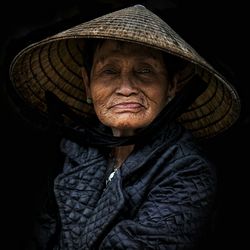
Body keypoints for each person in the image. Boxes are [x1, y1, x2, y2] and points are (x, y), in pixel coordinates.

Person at [9, 4, 241, 250]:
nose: (126, 87)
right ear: (88, 86)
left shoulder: (189, 171)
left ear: (171, 86)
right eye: (109, 70)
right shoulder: (73, 152)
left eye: (144, 70)